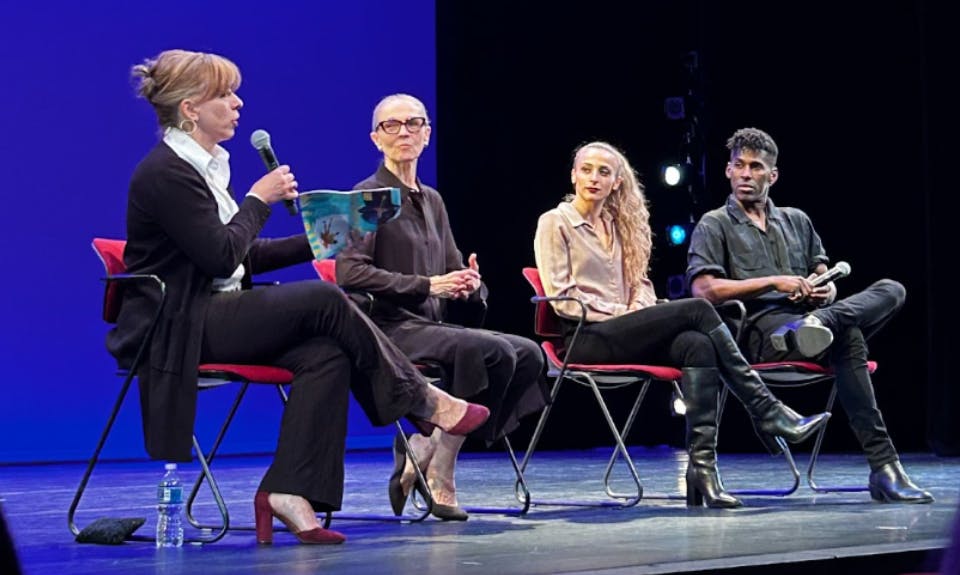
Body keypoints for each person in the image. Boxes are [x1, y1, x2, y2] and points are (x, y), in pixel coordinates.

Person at [107, 50, 490, 545]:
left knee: (325, 352)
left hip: (211, 311)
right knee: (326, 300)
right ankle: (426, 401)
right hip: (180, 324)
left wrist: (328, 230)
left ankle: (290, 491)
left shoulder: (204, 166)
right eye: (224, 95)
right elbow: (222, 258)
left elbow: (242, 256)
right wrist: (258, 201)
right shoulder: (166, 172)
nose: (238, 103)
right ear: (190, 109)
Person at [533, 141, 830, 508]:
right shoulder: (555, 222)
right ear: (573, 175)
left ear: (616, 183)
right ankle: (766, 409)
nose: (594, 178)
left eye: (604, 172)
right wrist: (624, 314)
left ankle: (702, 471)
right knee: (698, 309)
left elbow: (641, 284)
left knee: (697, 344)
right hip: (583, 336)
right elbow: (562, 298)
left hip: (625, 330)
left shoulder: (619, 225)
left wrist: (638, 309)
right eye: (587, 169)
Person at [686, 127, 933, 504]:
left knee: (891, 290)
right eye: (739, 166)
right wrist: (776, 283)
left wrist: (826, 288)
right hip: (760, 333)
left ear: (773, 175)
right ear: (728, 171)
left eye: (756, 167)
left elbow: (822, 272)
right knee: (848, 337)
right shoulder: (714, 223)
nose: (746, 174)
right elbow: (703, 291)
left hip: (812, 323)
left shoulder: (796, 220)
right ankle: (885, 467)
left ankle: (821, 324)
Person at [335, 93, 549, 520]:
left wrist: (470, 284)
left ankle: (426, 443)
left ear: (427, 134)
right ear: (376, 138)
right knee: (485, 351)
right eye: (391, 126)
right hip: (390, 327)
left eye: (412, 123)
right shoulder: (369, 196)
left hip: (433, 325)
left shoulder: (432, 199)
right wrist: (427, 284)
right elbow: (349, 273)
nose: (403, 133)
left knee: (527, 353)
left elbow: (453, 270)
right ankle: (442, 469)